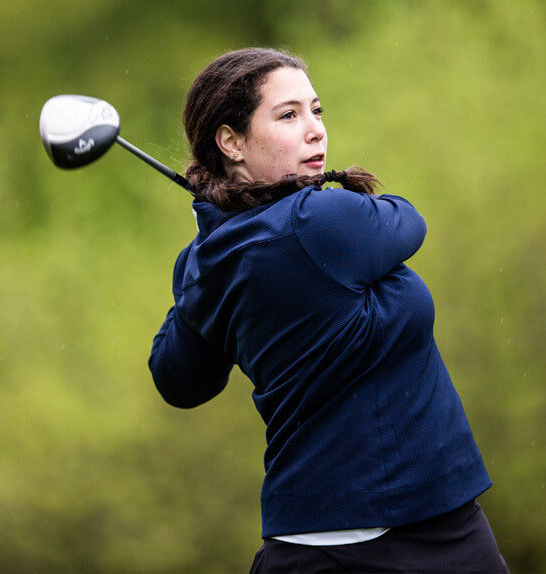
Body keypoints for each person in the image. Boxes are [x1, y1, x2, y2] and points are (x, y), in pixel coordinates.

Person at [149, 47, 509, 573]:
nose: (315, 130)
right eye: (288, 115)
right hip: (422, 536)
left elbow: (178, 381)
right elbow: (408, 220)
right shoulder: (317, 220)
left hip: (321, 542)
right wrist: (228, 239)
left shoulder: (210, 263)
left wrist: (206, 253)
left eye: (316, 111)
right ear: (230, 142)